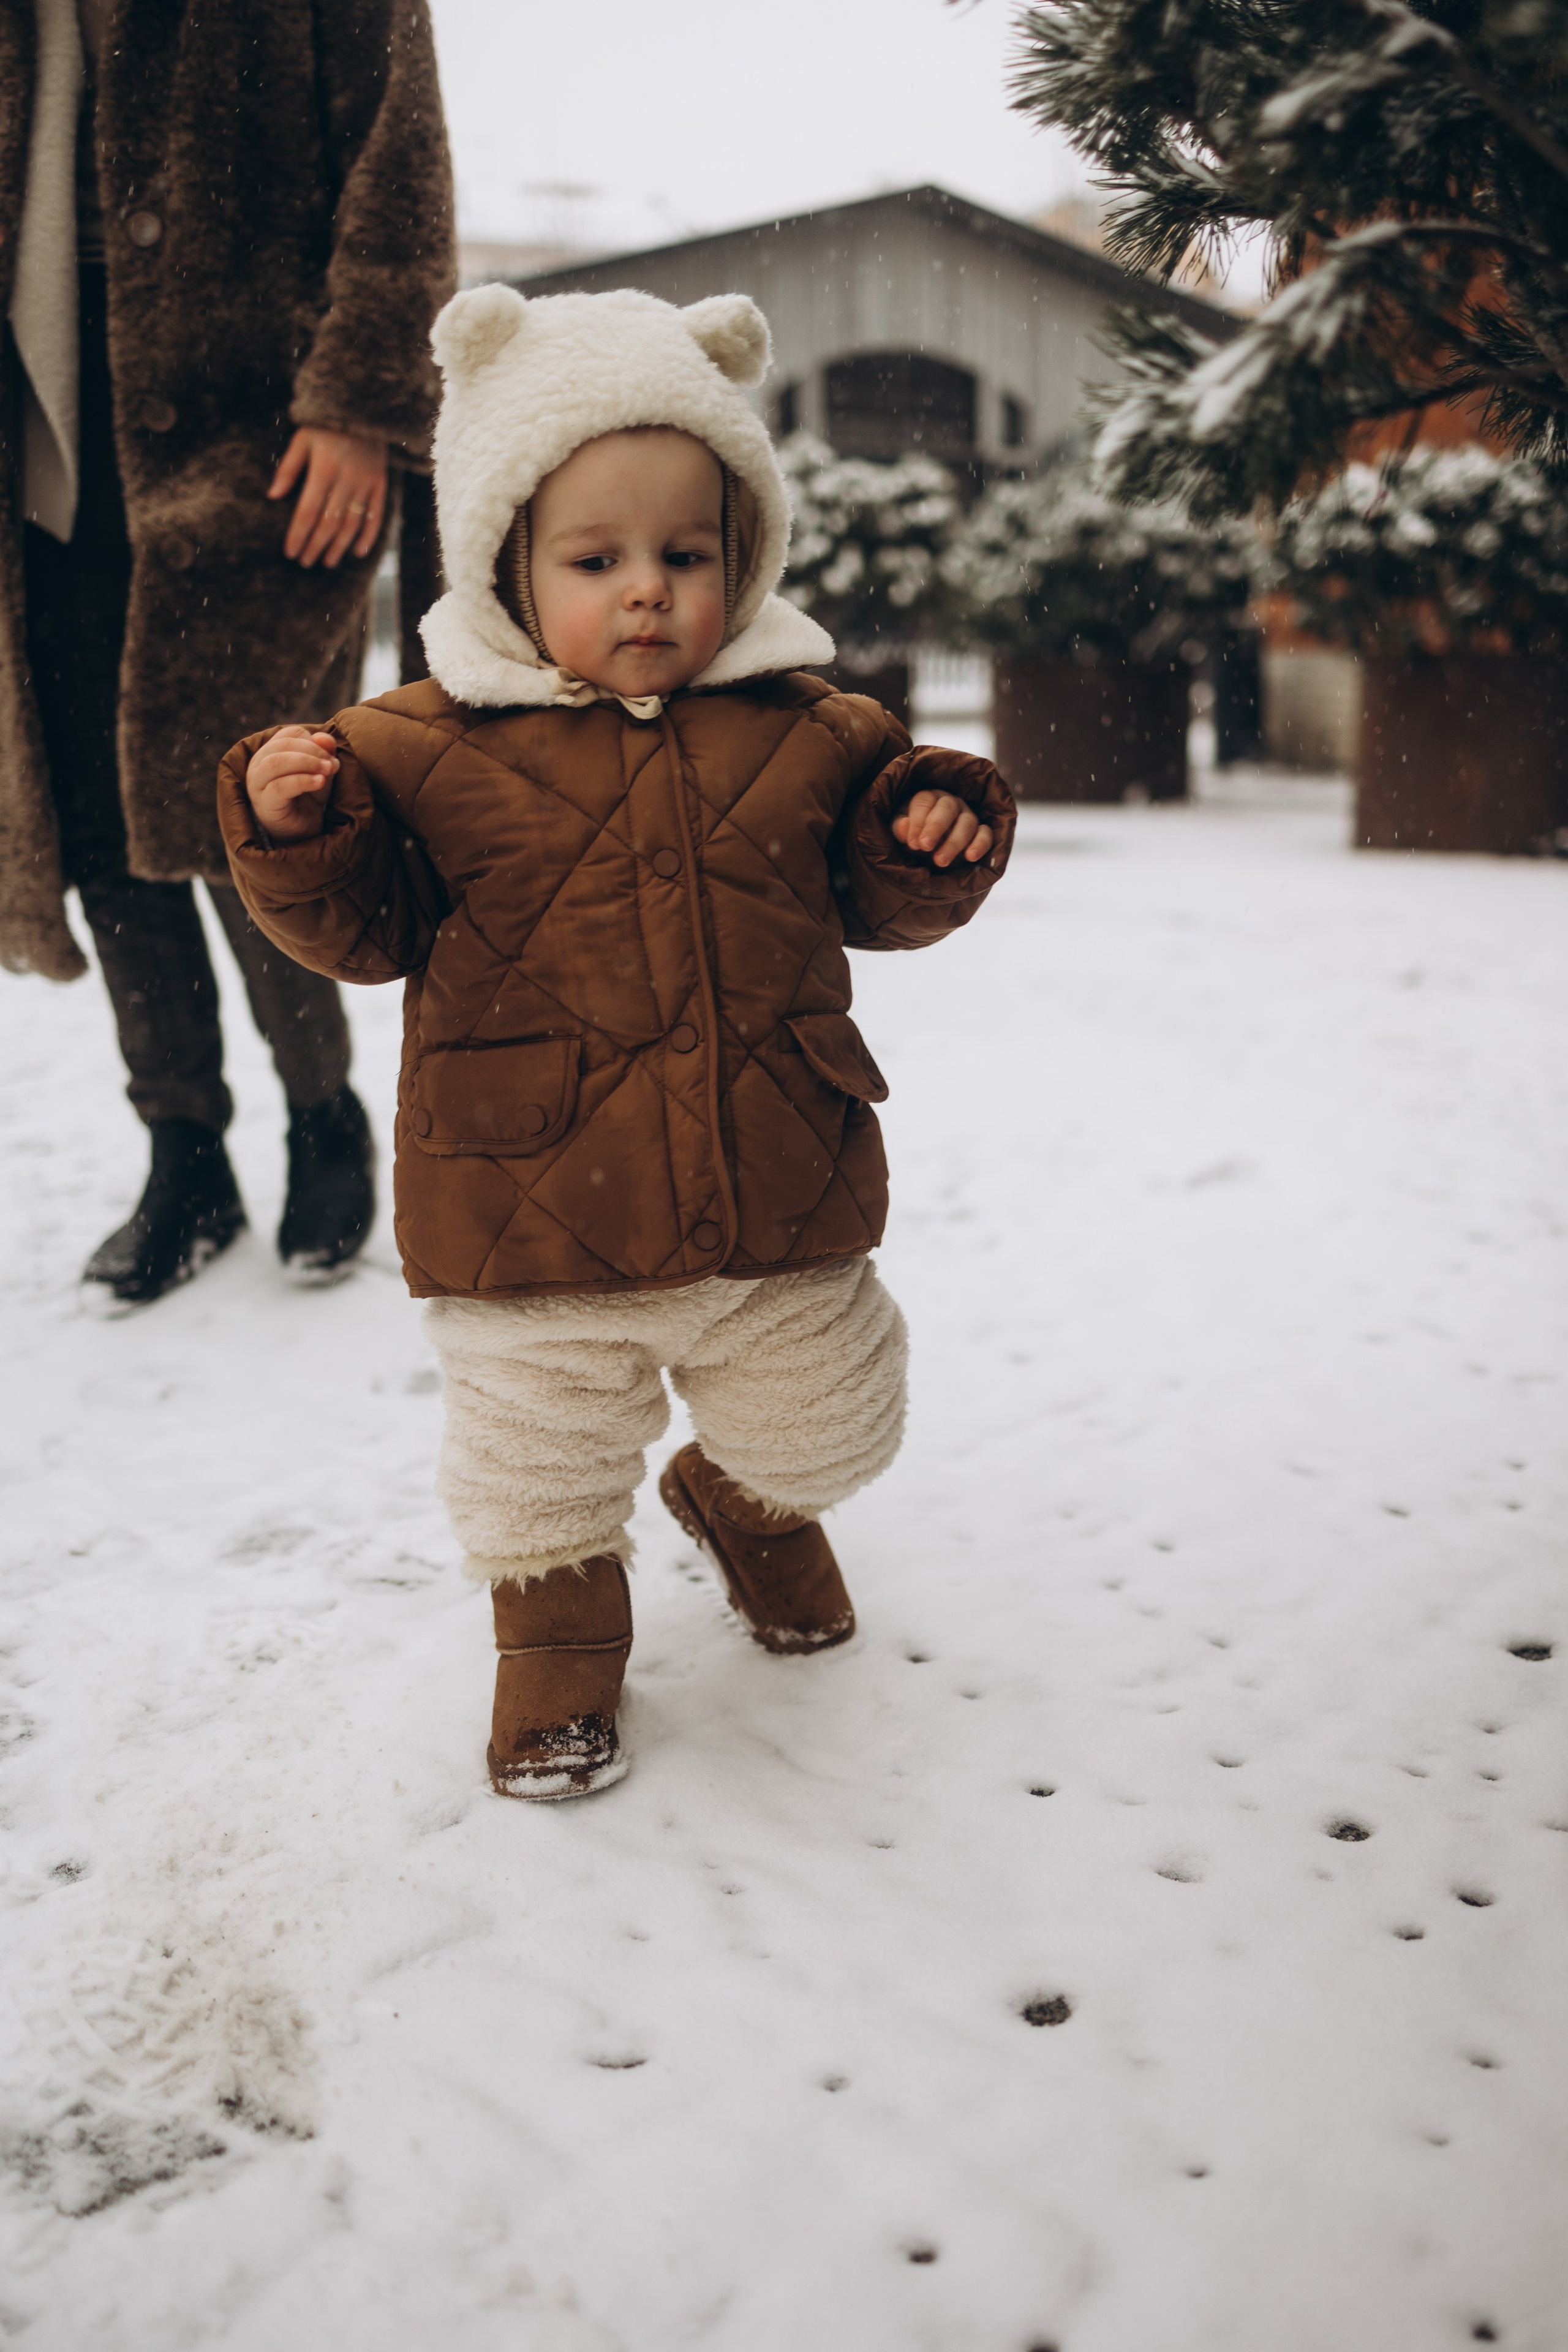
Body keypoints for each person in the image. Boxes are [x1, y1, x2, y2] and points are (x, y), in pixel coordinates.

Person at [217, 285, 1016, 1799]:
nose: (645, 591)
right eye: (595, 560)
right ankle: (557, 1665)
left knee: (838, 1414)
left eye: (685, 555)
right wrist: (294, 829)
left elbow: (876, 898)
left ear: (746, 555)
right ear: (504, 562)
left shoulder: (815, 731)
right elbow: (362, 932)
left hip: (773, 1191)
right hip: (528, 1217)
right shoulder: (414, 748)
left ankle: (746, 1500)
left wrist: (930, 835)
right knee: (538, 1482)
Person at [0, 0, 454, 1302]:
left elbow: (397, 149)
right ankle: (182, 1148)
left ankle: (324, 1113)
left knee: (264, 795)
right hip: (43, 425)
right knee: (97, 811)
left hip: (262, 427)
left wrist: (363, 396)